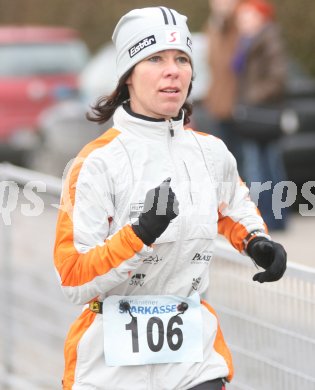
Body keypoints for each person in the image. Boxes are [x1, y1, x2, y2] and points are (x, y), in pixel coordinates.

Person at [54, 6, 287, 390]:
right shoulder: (96, 163)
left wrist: (255, 241)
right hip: (110, 368)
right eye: (155, 58)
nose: (173, 70)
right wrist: (139, 234)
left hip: (193, 362)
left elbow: (232, 208)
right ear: (128, 75)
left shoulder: (211, 153)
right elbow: (73, 277)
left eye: (182, 58)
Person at [233, 0, 288, 230]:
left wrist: (251, 99)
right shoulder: (247, 41)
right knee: (262, 165)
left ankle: (271, 217)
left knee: (265, 166)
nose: (243, 21)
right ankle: (271, 216)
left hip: (261, 113)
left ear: (261, 17)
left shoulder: (267, 39)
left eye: (248, 16)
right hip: (253, 113)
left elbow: (277, 78)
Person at [203, 0, 243, 171]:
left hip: (238, 105)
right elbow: (212, 64)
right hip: (218, 105)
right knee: (223, 163)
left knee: (242, 163)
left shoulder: (240, 23)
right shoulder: (212, 26)